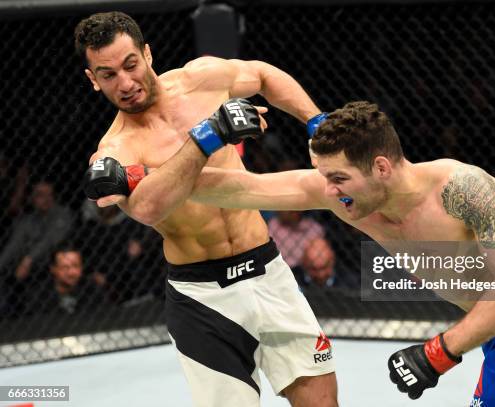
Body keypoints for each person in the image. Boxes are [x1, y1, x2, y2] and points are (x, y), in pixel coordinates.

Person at [125, 101, 495, 405]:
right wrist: (139, 176)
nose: (329, 192)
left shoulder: (463, 189)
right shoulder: (350, 196)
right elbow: (241, 188)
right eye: (323, 177)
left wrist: (440, 352)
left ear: (381, 167)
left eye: (339, 179)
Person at [75, 11, 336, 407]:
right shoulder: (115, 152)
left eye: (130, 65)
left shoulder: (202, 79)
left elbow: (263, 76)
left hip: (268, 272)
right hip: (202, 298)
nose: (126, 83)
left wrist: (317, 122)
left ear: (147, 54)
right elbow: (147, 207)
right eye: (108, 74)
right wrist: (208, 136)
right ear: (93, 80)